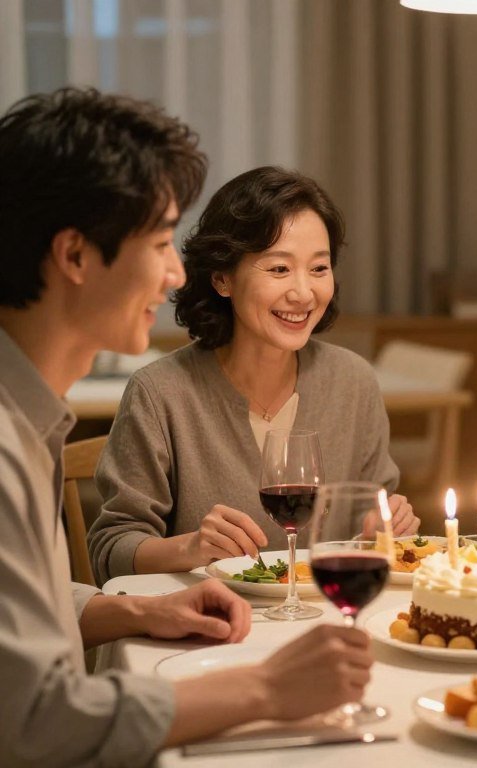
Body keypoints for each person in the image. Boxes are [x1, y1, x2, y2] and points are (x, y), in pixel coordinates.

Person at [0, 88, 373, 766]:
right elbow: (35, 722)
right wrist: (265, 687)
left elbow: (24, 617)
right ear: (76, 257)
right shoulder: (10, 446)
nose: (177, 272)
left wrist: (141, 612)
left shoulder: (30, 420)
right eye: (161, 241)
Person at [88, 166, 419, 583]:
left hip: (327, 619)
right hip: (210, 632)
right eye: (279, 269)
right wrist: (189, 547)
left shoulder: (353, 383)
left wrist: (384, 529)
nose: (303, 293)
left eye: (319, 268)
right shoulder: (160, 393)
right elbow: (110, 550)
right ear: (223, 278)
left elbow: (371, 524)